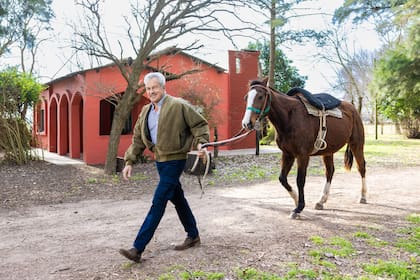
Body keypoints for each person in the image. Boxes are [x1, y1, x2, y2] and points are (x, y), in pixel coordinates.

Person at [119, 72, 210, 263]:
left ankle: (137, 248)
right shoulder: (145, 112)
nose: (151, 91)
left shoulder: (178, 105)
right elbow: (138, 139)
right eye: (149, 88)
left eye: (155, 87)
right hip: (160, 162)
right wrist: (129, 161)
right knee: (178, 199)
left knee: (158, 201)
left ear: (163, 87)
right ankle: (193, 235)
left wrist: (202, 143)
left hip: (175, 160)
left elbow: (199, 124)